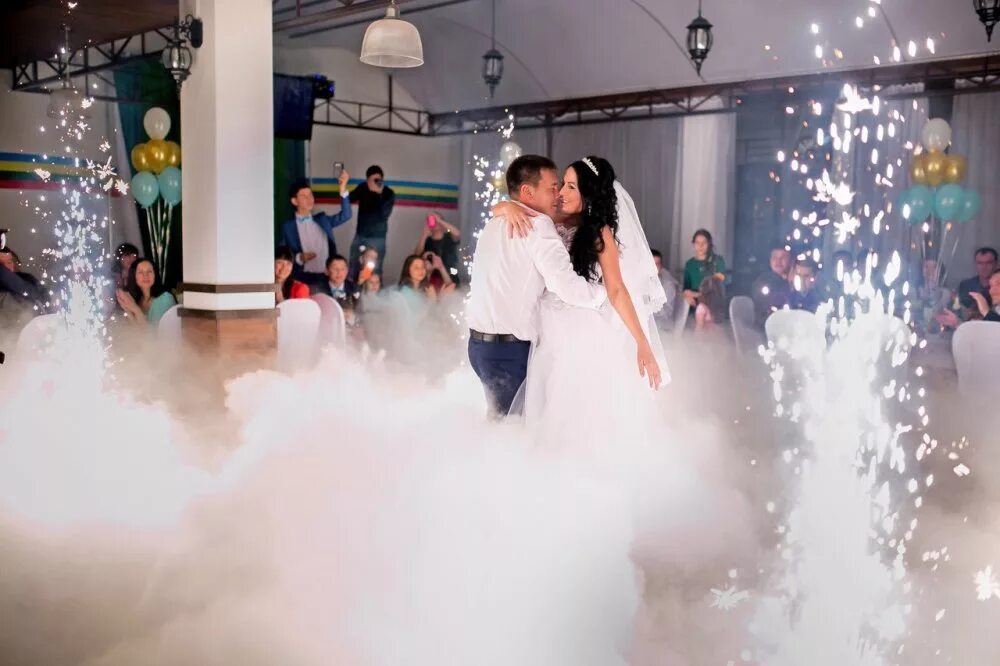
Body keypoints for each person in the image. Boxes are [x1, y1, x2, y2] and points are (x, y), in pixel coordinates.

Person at [486, 155, 667, 442]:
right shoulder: (549, 219)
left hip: (579, 330)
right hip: (543, 327)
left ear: (589, 193)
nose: (561, 192)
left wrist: (642, 343)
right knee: (539, 408)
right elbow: (506, 208)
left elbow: (616, 290)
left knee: (574, 412)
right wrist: (505, 207)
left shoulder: (599, 233)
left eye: (571, 186)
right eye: (562, 184)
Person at [466, 155, 611, 417]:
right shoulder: (538, 225)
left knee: (498, 423)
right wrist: (605, 293)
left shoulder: (494, 222)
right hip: (509, 350)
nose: (558, 193)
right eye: (552, 187)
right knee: (516, 430)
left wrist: (504, 206)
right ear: (527, 192)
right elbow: (566, 286)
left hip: (477, 347)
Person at [278, 172, 352, 287]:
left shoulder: (323, 219)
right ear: (294, 201)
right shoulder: (287, 227)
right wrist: (299, 258)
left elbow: (346, 215)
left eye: (310, 195)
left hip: (327, 276)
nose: (309, 199)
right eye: (304, 196)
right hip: (303, 277)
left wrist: (343, 188)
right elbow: (281, 254)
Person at [349, 165, 396, 274]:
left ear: (382, 179)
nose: (376, 182)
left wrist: (378, 194)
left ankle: (370, 284)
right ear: (367, 180)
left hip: (377, 238)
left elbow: (383, 215)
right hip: (360, 235)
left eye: (378, 180)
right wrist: (343, 187)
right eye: (373, 180)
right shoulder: (363, 188)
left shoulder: (388, 193)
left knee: (373, 270)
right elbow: (350, 198)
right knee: (354, 264)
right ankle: (355, 284)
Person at [682, 229, 726, 328]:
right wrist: (686, 296)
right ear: (693, 244)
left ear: (709, 243)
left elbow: (718, 286)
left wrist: (698, 295)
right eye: (697, 243)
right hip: (694, 305)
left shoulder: (717, 261)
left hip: (713, 305)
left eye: (704, 243)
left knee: (702, 311)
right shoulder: (690, 264)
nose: (700, 246)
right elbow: (686, 289)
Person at [116, 258, 175, 326]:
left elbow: (155, 332)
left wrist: (135, 308)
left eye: (149, 271)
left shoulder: (165, 298)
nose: (145, 275)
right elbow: (134, 328)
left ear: (155, 275)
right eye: (140, 272)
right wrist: (127, 309)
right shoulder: (137, 299)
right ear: (134, 276)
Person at [751, 245, 792, 326]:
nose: (778, 261)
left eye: (783, 257)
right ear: (770, 261)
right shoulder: (763, 282)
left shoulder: (795, 281)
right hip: (768, 325)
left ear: (790, 261)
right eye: (775, 257)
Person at [415, 213, 461, 284]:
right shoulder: (427, 240)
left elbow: (458, 234)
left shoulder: (449, 236)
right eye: (432, 220)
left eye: (436, 219)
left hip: (451, 274)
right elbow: (416, 255)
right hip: (432, 277)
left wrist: (439, 221)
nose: (435, 221)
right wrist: (424, 235)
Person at [651, 249, 680, 331]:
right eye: (652, 264)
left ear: (661, 267)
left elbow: (666, 313)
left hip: (663, 327)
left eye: (657, 264)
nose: (655, 267)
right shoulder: (642, 283)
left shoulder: (668, 285)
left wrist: (648, 304)